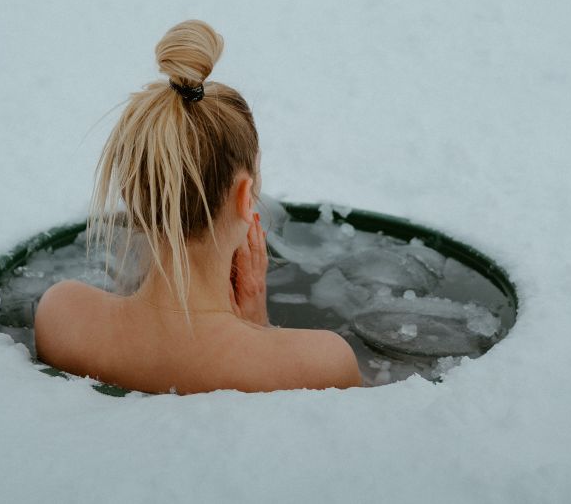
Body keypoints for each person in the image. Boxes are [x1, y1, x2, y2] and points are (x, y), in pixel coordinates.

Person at [34, 20, 361, 394]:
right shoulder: (318, 364)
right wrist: (260, 329)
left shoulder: (63, 316)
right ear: (245, 195)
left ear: (133, 194)